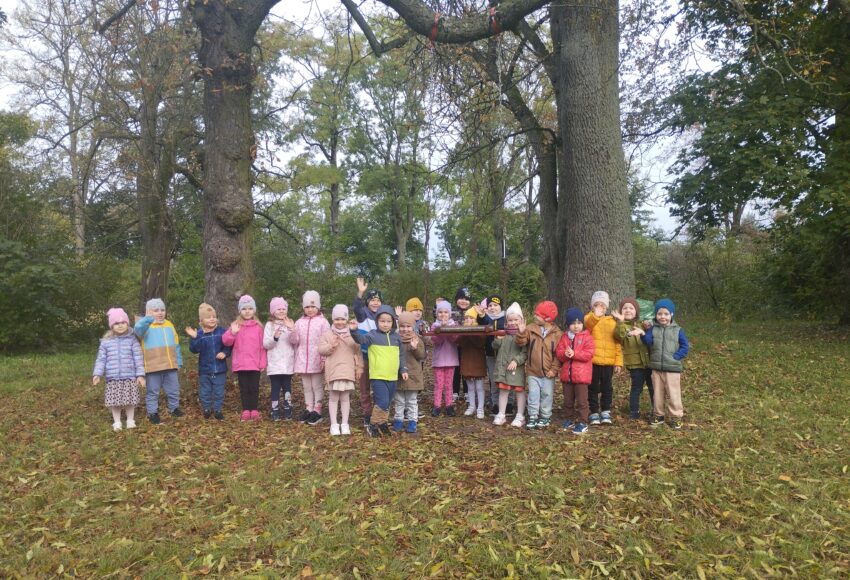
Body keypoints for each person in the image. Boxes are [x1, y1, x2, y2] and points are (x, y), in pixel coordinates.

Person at [349, 305, 408, 437]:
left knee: (388, 402)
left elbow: (401, 355)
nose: (385, 324)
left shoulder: (396, 337)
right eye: (382, 321)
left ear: (393, 322)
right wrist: (354, 330)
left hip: (392, 376)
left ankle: (382, 423)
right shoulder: (372, 335)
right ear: (377, 322)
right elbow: (360, 339)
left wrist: (403, 369)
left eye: (388, 321)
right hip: (378, 376)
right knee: (382, 402)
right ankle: (373, 424)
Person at [93, 307, 145, 431]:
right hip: (113, 377)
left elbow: (138, 358)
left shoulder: (132, 340)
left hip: (129, 376)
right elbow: (101, 359)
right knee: (114, 402)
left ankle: (130, 420)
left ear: (127, 323)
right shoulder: (106, 342)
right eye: (116, 323)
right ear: (111, 326)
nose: (120, 325)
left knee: (129, 400)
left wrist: (140, 375)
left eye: (123, 322)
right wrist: (97, 374)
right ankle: (117, 422)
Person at [641, 298, 689, 430]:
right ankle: (658, 415)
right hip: (656, 368)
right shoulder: (653, 329)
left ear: (671, 314)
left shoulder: (678, 330)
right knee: (657, 393)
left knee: (673, 393)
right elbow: (648, 342)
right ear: (656, 315)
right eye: (659, 314)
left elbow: (685, 346)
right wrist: (643, 333)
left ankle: (676, 416)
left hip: (672, 369)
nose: (663, 317)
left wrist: (676, 357)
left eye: (666, 314)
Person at [135, 298, 183, 424]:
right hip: (152, 366)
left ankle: (174, 408)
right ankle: (153, 412)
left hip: (170, 364)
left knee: (173, 389)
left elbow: (176, 344)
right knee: (152, 391)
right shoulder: (145, 325)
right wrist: (147, 319)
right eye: (156, 310)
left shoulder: (169, 324)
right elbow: (137, 330)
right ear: (148, 311)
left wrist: (178, 360)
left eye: (162, 310)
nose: (160, 313)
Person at [516, 301, 563, 429]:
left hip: (549, 372)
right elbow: (521, 343)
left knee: (547, 394)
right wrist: (521, 332)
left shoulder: (557, 334)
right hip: (533, 371)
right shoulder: (530, 329)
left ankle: (545, 416)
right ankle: (533, 416)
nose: (535, 316)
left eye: (538, 315)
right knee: (533, 394)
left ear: (547, 318)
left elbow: (558, 355)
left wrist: (554, 369)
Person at [318, 305, 362, 436]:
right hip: (333, 371)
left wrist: (354, 333)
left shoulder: (352, 333)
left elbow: (357, 348)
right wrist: (331, 345)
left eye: (343, 319)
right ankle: (334, 424)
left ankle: (345, 423)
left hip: (347, 370)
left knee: (345, 398)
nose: (340, 322)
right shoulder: (327, 334)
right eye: (337, 319)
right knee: (333, 398)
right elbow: (321, 350)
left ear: (346, 319)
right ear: (333, 319)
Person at [222, 295, 267, 422]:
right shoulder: (236, 325)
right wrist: (232, 333)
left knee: (254, 388)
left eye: (250, 308)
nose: (247, 311)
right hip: (241, 364)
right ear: (240, 310)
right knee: (244, 388)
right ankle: (246, 410)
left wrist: (262, 362)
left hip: (255, 364)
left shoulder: (259, 327)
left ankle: (254, 410)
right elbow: (226, 341)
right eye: (244, 309)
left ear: (254, 310)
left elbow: (262, 347)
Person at [290, 291, 330, 425]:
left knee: (316, 385)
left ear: (318, 307)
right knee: (306, 386)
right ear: (303, 307)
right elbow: (294, 341)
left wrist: (324, 359)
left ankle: (317, 410)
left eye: (313, 306)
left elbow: (327, 342)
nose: (310, 309)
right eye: (307, 307)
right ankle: (308, 408)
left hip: (317, 358)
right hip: (303, 359)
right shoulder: (299, 322)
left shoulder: (323, 322)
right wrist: (292, 330)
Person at [186, 303, 231, 420]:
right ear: (201, 320)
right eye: (208, 317)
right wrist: (195, 337)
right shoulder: (199, 334)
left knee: (219, 391)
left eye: (214, 317)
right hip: (205, 369)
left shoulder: (222, 332)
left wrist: (225, 353)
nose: (212, 319)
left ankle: (217, 410)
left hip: (219, 368)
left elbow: (228, 345)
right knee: (205, 391)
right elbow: (194, 349)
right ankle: (207, 408)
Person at [584, 291, 623, 426]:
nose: (600, 307)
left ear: (607, 307)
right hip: (593, 361)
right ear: (592, 306)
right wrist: (595, 315)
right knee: (592, 388)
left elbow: (617, 343)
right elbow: (588, 326)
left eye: (603, 305)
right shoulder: (589, 318)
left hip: (608, 362)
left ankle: (606, 411)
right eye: (597, 304)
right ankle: (594, 411)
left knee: (607, 388)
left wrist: (618, 362)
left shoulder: (612, 321)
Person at [555, 307, 595, 435]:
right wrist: (565, 354)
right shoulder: (564, 337)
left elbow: (588, 354)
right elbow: (559, 353)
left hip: (581, 376)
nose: (576, 326)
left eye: (579, 323)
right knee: (568, 401)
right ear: (568, 325)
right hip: (567, 376)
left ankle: (583, 422)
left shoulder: (587, 337)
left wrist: (574, 354)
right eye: (573, 323)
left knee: (582, 401)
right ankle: (568, 419)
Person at [613, 297, 653, 420]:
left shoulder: (642, 324)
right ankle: (634, 412)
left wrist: (648, 327)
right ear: (621, 311)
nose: (628, 310)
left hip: (649, 362)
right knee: (636, 388)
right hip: (635, 364)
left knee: (653, 387)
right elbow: (619, 335)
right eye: (625, 308)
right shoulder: (621, 326)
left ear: (636, 311)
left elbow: (650, 337)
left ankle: (656, 409)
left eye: (631, 308)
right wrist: (620, 322)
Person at [492, 302, 528, 427]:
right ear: (506, 322)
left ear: (521, 320)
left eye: (516, 320)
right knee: (503, 391)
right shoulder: (504, 334)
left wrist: (516, 361)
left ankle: (520, 415)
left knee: (519, 391)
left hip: (516, 369)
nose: (513, 323)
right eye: (510, 320)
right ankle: (501, 414)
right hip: (503, 368)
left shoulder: (523, 334)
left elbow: (525, 352)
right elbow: (494, 347)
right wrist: (497, 339)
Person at [352, 277, 382, 428]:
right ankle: (367, 414)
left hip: (380, 358)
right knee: (364, 387)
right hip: (365, 357)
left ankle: (378, 413)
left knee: (378, 387)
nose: (375, 303)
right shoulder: (363, 314)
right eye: (372, 300)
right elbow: (356, 308)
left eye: (378, 300)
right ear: (367, 302)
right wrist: (360, 293)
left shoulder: (383, 316)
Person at [393, 311, 426, 433]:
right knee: (399, 401)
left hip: (413, 376)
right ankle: (398, 420)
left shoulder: (417, 340)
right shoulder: (395, 339)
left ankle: (412, 421)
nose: (405, 329)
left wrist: (414, 348)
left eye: (408, 326)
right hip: (398, 375)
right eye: (402, 326)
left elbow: (421, 356)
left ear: (413, 326)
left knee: (411, 401)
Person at [263, 297, 296, 420]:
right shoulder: (269, 325)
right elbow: (266, 344)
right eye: (278, 309)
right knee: (275, 387)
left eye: (283, 309)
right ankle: (275, 409)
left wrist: (291, 329)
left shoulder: (290, 323)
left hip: (287, 363)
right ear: (273, 311)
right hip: (274, 363)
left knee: (287, 387)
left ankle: (288, 408)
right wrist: (275, 338)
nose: (281, 311)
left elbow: (295, 341)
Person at [476, 295, 508, 415]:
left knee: (507, 378)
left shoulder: (506, 318)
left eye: (495, 305)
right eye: (490, 305)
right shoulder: (487, 318)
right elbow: (483, 322)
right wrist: (481, 315)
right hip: (491, 354)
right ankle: (495, 403)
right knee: (494, 379)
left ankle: (509, 403)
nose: (493, 307)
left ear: (501, 307)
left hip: (505, 355)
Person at [430, 300, 459, 417]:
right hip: (439, 360)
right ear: (437, 314)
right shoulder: (434, 326)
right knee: (439, 384)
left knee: (448, 384)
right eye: (440, 312)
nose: (443, 314)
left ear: (450, 314)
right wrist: (441, 329)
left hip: (451, 359)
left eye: (446, 312)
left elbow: (454, 339)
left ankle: (449, 405)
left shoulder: (454, 325)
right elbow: (437, 341)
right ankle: (437, 406)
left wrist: (448, 328)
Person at [457, 308, 487, 419]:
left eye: (471, 318)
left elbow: (480, 343)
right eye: (466, 318)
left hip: (478, 361)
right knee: (470, 387)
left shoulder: (480, 329)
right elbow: (459, 343)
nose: (468, 320)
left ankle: (480, 408)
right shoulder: (462, 330)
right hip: (467, 360)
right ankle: (472, 406)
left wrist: (470, 332)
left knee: (479, 387)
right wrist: (465, 332)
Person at [451, 287, 472, 403]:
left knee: (466, 367)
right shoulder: (451, 312)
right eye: (461, 298)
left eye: (467, 299)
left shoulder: (472, 312)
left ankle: (467, 391)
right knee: (455, 368)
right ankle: (454, 391)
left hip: (468, 345)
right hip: (454, 345)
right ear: (456, 299)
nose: (464, 301)